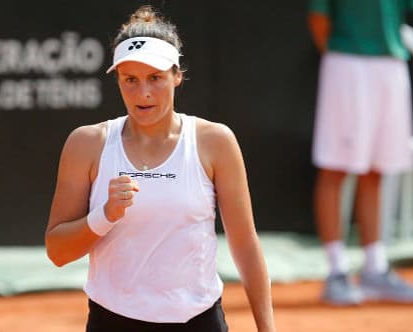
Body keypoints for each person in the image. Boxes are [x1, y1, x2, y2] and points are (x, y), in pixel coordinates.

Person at [45, 5, 276, 331]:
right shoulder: (87, 144)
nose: (143, 93)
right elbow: (57, 251)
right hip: (113, 321)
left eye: (155, 78)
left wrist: (267, 329)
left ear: (177, 76)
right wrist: (105, 214)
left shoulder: (215, 141)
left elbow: (245, 244)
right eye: (130, 80)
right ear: (118, 81)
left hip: (199, 321)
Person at [307, 0, 413, 305]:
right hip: (347, 64)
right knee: (335, 168)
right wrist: (345, 58)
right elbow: (318, 20)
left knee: (376, 168)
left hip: (392, 65)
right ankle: (337, 272)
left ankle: (375, 269)